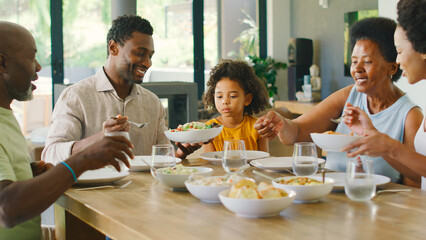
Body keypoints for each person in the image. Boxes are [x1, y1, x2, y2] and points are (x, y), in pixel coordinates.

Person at [0, 21, 133, 239]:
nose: (39, 67)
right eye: (31, 57)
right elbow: (5, 208)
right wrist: (83, 159)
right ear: (2, 63)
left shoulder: (6, 115)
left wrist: (27, 175)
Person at [254, 17, 423, 183]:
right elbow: (297, 133)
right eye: (354, 61)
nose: (357, 69)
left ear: (392, 67)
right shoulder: (349, 96)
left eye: (368, 61)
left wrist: (385, 148)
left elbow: (416, 182)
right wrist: (282, 125)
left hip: (376, 202)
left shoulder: (410, 116)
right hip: (329, 193)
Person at [42, 15, 200, 164]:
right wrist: (100, 138)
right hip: (95, 192)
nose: (147, 63)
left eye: (150, 56)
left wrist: (180, 153)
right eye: (140, 53)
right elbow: (51, 155)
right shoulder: (76, 96)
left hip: (144, 192)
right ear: (113, 48)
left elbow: (163, 157)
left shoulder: (152, 102)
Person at [342, 0, 426, 189]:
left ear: (422, 50)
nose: (396, 60)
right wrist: (375, 136)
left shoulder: (412, 112)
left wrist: (390, 146)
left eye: (399, 51)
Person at [202, 59, 269, 152]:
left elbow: (264, 160)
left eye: (232, 96)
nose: (225, 101)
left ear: (247, 99)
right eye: (219, 96)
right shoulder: (208, 129)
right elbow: (209, 162)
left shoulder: (258, 126)